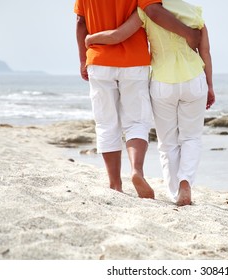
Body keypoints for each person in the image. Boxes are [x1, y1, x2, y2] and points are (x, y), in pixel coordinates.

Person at [85, 0, 215, 206]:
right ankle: (184, 184)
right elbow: (205, 52)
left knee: (167, 143)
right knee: (191, 138)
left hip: (163, 83)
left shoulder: (144, 12)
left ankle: (170, 192)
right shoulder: (194, 14)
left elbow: (118, 35)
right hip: (194, 80)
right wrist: (209, 85)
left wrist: (91, 38)